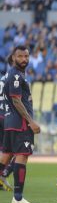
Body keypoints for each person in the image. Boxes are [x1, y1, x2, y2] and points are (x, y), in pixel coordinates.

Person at [0, 45, 41, 203]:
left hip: (10, 122)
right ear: (13, 58)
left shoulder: (16, 74)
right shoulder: (16, 75)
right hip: (20, 123)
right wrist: (31, 121)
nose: (24, 59)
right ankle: (18, 198)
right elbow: (16, 100)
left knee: (5, 156)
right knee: (22, 156)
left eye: (26, 56)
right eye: (20, 56)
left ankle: (17, 197)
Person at [0, 54, 16, 191]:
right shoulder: (14, 78)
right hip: (8, 117)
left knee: (5, 150)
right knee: (18, 150)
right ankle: (3, 175)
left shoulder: (1, 79)